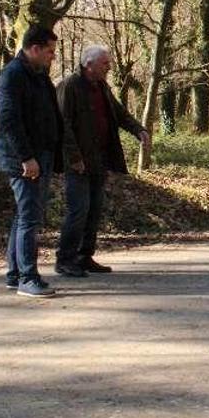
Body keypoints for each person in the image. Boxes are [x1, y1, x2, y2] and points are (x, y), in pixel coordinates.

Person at [55, 45, 150, 277]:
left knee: (94, 210)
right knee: (78, 210)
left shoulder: (102, 86)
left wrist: (139, 130)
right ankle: (65, 259)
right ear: (89, 64)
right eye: (105, 63)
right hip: (78, 162)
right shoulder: (69, 86)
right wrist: (74, 157)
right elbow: (62, 126)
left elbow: (119, 113)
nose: (109, 67)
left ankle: (85, 256)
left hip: (99, 159)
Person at [0, 25, 62, 298]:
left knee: (24, 216)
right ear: (34, 48)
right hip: (23, 159)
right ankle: (27, 277)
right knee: (29, 219)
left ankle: (14, 274)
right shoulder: (11, 76)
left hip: (40, 156)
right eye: (50, 51)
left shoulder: (39, 77)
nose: (52, 56)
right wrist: (26, 157)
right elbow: (9, 121)